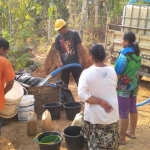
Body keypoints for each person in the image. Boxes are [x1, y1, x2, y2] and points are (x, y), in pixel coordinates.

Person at [78, 44, 119, 149]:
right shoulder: (112, 71)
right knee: (111, 143)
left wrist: (100, 101)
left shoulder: (86, 73)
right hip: (112, 111)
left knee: (96, 143)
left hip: (96, 114)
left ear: (91, 56)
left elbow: (82, 95)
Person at [114, 31, 141, 145]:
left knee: (123, 112)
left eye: (122, 39)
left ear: (127, 41)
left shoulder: (124, 53)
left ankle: (122, 138)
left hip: (124, 86)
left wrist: (114, 82)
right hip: (134, 84)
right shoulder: (137, 52)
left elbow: (118, 71)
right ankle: (132, 132)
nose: (121, 41)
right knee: (133, 108)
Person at [54, 19, 85, 86]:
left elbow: (80, 47)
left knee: (80, 83)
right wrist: (60, 61)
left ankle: (83, 96)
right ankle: (64, 96)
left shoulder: (74, 34)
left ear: (63, 27)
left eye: (59, 29)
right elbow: (58, 51)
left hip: (75, 63)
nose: (58, 31)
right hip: (64, 65)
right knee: (64, 85)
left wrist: (83, 59)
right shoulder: (58, 38)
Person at [0, 38, 15, 111]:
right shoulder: (3, 62)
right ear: (2, 49)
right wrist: (3, 93)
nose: (6, 54)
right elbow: (10, 82)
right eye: (6, 51)